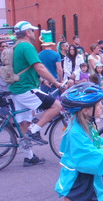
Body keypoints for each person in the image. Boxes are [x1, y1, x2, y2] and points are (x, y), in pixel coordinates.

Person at [8, 21, 64, 166]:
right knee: (56, 106)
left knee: (24, 122)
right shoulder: (27, 46)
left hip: (17, 88)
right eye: (32, 31)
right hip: (26, 88)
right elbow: (39, 67)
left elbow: (25, 68)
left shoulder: (16, 46)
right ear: (27, 33)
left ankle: (29, 156)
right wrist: (55, 82)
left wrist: (43, 81)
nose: (34, 33)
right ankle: (35, 130)